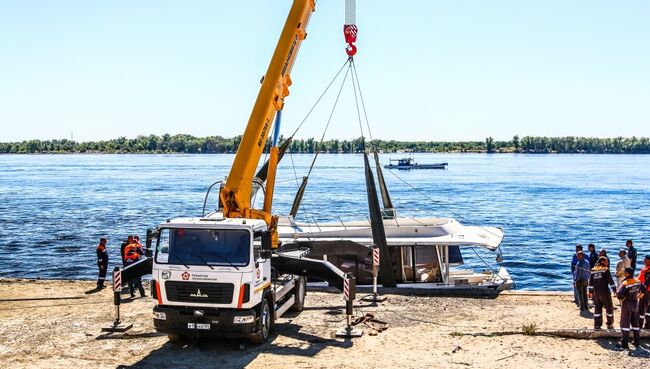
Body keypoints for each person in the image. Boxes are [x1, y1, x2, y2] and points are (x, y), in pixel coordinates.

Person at [616, 267, 647, 349]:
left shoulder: (625, 283)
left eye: (624, 272)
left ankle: (624, 343)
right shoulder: (638, 281)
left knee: (625, 323)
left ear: (627, 273)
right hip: (635, 303)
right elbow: (644, 290)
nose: (624, 273)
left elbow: (619, 295)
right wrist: (639, 296)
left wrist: (622, 298)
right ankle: (637, 342)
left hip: (627, 304)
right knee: (635, 323)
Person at [588, 256, 616, 329]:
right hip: (604, 292)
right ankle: (609, 324)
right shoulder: (605, 270)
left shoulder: (593, 270)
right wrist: (615, 290)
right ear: (602, 262)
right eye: (606, 261)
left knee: (597, 308)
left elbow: (590, 283)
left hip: (595, 293)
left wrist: (590, 292)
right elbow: (611, 281)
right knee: (609, 308)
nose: (607, 263)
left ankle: (597, 325)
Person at [638, 255, 650, 329]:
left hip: (646, 292)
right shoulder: (644, 269)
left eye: (646, 260)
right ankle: (648, 326)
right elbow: (639, 279)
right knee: (648, 310)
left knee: (641, 309)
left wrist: (642, 293)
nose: (644, 261)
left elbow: (647, 283)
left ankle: (639, 326)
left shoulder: (647, 271)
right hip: (647, 291)